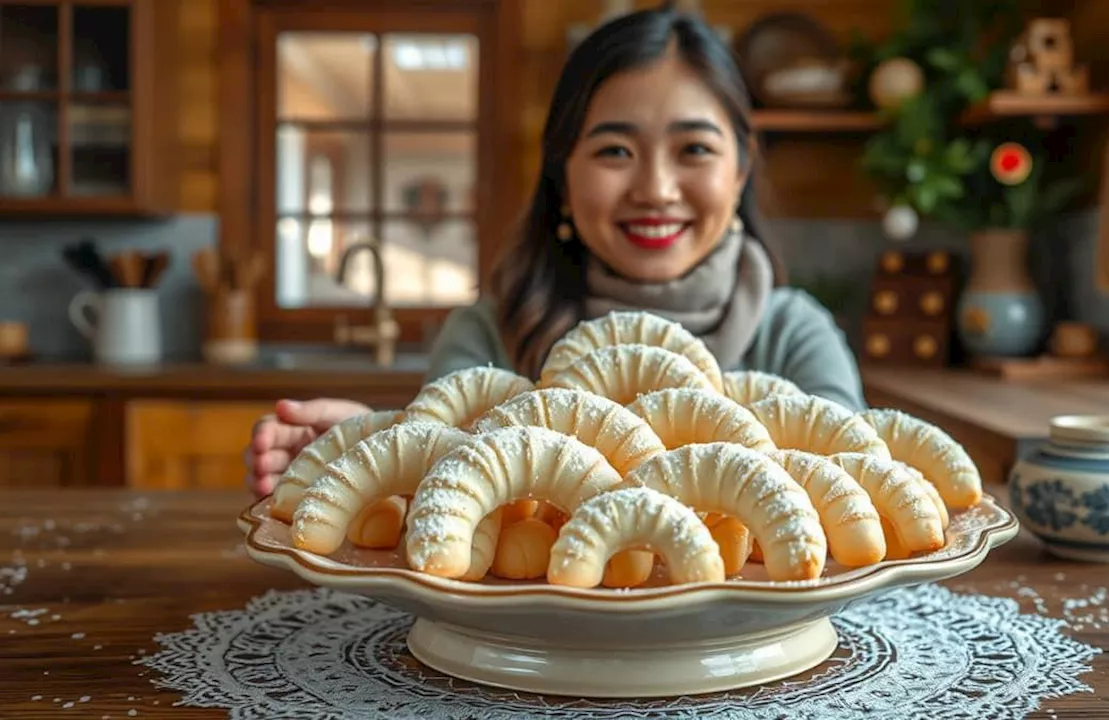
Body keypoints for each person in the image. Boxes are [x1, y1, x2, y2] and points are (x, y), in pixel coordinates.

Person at [243, 5, 868, 499]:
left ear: (740, 172)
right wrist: (371, 447)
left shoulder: (793, 334)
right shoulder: (490, 332)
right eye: (614, 151)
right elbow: (444, 488)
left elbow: (854, 491)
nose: (655, 189)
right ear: (563, 179)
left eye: (695, 150)